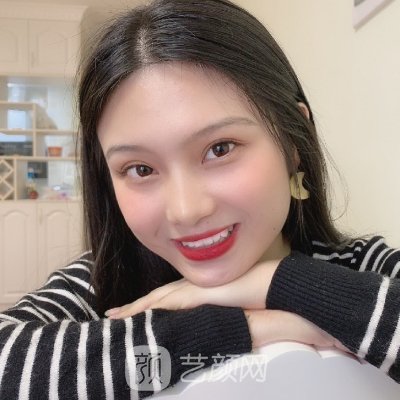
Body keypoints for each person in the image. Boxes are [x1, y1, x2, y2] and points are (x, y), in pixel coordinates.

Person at [0, 0, 399, 398]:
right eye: (140, 169)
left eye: (220, 149)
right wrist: (238, 328)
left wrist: (277, 282)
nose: (186, 210)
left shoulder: (359, 265)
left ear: (294, 143)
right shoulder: (105, 282)